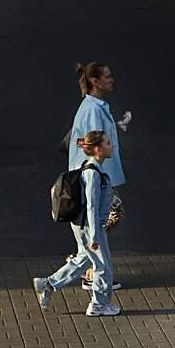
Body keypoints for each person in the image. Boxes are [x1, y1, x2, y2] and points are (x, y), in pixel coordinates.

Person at [33, 131, 120, 316]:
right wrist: (96, 235)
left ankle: (47, 284)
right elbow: (92, 206)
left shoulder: (91, 169)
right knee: (103, 266)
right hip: (90, 226)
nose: (111, 146)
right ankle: (98, 305)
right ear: (98, 149)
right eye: (108, 143)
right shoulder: (93, 174)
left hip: (83, 224)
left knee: (84, 260)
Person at [70, 62, 126, 291]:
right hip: (95, 178)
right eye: (108, 76)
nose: (112, 80)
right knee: (102, 222)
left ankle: (90, 269)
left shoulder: (95, 106)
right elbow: (96, 147)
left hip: (95, 177)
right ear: (96, 81)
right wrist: (106, 183)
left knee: (101, 223)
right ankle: (90, 272)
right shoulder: (93, 109)